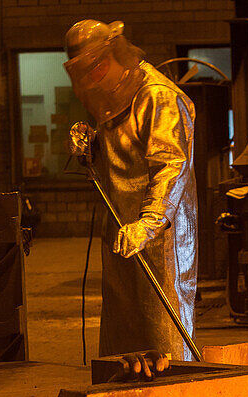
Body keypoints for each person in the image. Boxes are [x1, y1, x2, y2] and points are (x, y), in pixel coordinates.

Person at [64, 19, 198, 362]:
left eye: (98, 66)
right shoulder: (111, 97)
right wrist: (90, 147)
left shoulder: (158, 96)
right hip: (121, 227)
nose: (94, 77)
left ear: (115, 53)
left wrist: (150, 223)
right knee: (125, 333)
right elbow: (123, 155)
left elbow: (172, 165)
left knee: (163, 332)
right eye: (86, 71)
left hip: (159, 234)